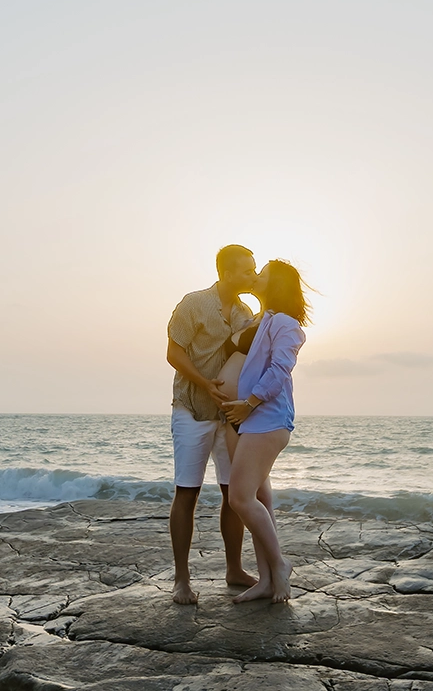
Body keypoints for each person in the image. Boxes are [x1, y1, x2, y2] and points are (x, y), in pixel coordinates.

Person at [164, 244, 260, 604]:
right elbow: (173, 352)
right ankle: (181, 580)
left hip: (228, 416)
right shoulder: (194, 303)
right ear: (226, 273)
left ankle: (233, 569)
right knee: (187, 492)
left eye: (254, 270)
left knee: (232, 495)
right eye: (247, 270)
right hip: (192, 409)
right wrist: (205, 384)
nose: (252, 276)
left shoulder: (244, 311)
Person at [221, 259, 309, 603]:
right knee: (258, 500)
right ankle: (266, 579)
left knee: (240, 498)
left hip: (265, 418)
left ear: (276, 285)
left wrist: (250, 402)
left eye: (264, 274)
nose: (257, 277)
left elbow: (281, 368)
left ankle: (280, 565)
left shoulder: (286, 323)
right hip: (242, 418)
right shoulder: (260, 319)